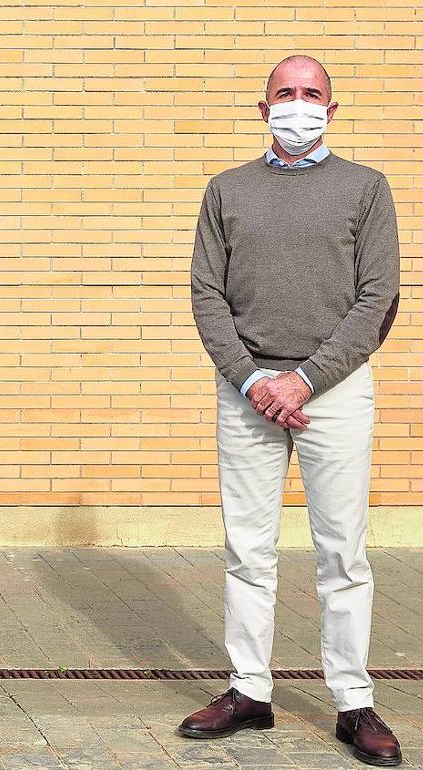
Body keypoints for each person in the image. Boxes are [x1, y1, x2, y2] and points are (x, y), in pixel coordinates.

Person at [183, 55, 402, 767]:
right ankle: (248, 689)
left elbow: (378, 298)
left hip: (332, 392)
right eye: (286, 93)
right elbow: (206, 295)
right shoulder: (227, 190)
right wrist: (253, 382)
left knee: (344, 552)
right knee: (248, 550)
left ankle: (352, 700)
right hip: (247, 391)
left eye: (312, 95)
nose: (298, 105)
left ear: (332, 111)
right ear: (263, 107)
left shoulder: (366, 189)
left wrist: (305, 380)